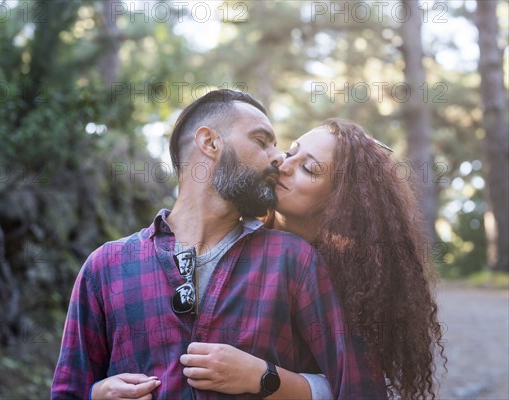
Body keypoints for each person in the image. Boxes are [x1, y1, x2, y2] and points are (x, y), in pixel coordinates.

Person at [51, 90, 386, 400]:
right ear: (209, 142)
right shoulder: (106, 266)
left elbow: (360, 388)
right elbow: (67, 391)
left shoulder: (294, 261)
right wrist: (97, 394)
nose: (278, 160)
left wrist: (265, 378)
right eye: (261, 141)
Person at [184, 118, 447, 399]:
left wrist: (262, 377)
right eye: (290, 152)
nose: (282, 166)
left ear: (341, 201)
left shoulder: (348, 283)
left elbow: (358, 388)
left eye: (308, 168)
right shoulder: (225, 236)